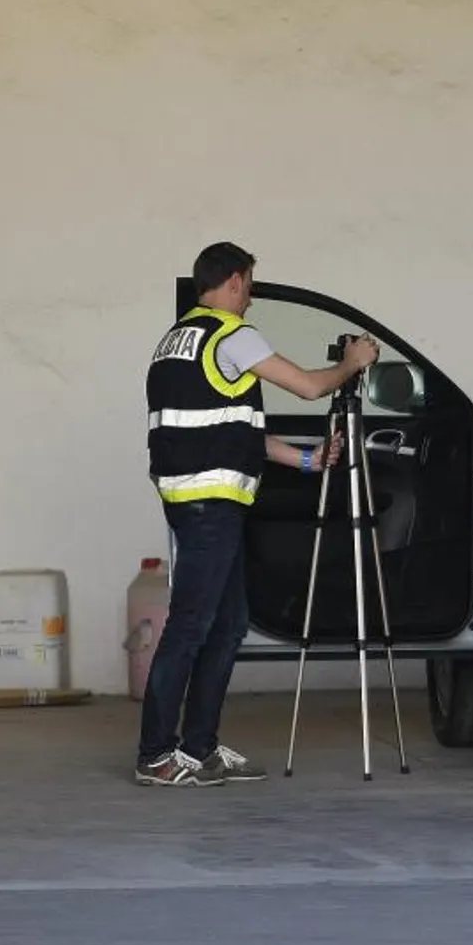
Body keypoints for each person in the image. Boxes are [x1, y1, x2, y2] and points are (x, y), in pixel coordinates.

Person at [137, 242, 379, 787]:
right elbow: (311, 386)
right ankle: (156, 754)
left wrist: (307, 459)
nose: (250, 301)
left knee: (226, 625)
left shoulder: (174, 341)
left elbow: (230, 427)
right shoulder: (232, 334)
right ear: (237, 281)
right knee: (192, 628)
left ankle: (198, 750)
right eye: (249, 288)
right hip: (212, 506)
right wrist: (353, 361)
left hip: (191, 500)